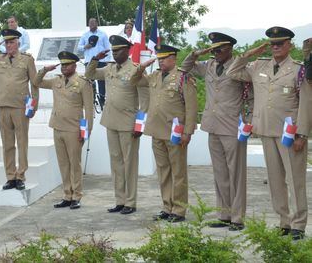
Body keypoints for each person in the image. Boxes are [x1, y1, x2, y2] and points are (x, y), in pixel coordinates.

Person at [226, 27, 307, 240]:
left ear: (290, 45)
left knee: (294, 179)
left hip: (290, 134)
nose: (276, 47)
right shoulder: (258, 65)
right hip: (266, 131)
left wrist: (302, 135)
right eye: (272, 44)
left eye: (280, 43)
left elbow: (307, 103)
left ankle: (299, 224)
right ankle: (284, 221)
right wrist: (248, 54)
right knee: (275, 180)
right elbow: (232, 72)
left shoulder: (298, 70)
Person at [181, 32, 250, 231]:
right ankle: (224, 214)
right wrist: (196, 53)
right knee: (220, 173)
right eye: (213, 49)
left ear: (230, 49)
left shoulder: (238, 67)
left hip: (231, 126)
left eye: (220, 48)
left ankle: (237, 217)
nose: (216, 52)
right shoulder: (209, 65)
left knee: (236, 173)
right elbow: (185, 69)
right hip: (212, 125)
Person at [130, 45, 198, 223]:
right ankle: (167, 206)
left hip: (175, 132)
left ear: (173, 58)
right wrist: (141, 67)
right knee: (163, 171)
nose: (161, 61)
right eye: (159, 58)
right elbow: (134, 80)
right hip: (156, 130)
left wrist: (188, 132)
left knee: (178, 172)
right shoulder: (154, 76)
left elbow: (191, 108)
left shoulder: (183, 78)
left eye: (164, 58)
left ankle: (179, 209)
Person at [85, 35, 145, 215]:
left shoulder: (136, 70)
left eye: (118, 50)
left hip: (128, 123)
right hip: (111, 121)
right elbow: (89, 75)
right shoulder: (109, 68)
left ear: (127, 51)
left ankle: (130, 202)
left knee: (129, 164)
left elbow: (145, 97)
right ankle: (119, 200)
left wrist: (139, 125)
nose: (115, 53)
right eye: (113, 51)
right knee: (116, 163)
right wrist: (95, 59)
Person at [0, 29, 39, 191]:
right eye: (7, 42)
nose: (9, 45)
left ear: (18, 42)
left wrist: (34, 105)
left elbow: (35, 83)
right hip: (3, 105)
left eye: (12, 42)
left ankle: (21, 175)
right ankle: (10, 176)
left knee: (22, 142)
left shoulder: (27, 60)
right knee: (7, 144)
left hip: (20, 105)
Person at [35, 51, 93, 209]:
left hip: (73, 129)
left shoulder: (82, 82)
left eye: (67, 65)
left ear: (74, 65)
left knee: (75, 163)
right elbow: (36, 82)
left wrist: (85, 131)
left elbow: (89, 110)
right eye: (62, 65)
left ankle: (77, 196)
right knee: (63, 163)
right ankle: (67, 194)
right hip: (57, 126)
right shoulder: (56, 81)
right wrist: (44, 70)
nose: (64, 67)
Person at [78, 17, 111, 108]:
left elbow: (108, 48)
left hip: (101, 60)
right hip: (89, 61)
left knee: (101, 81)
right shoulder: (85, 35)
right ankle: (91, 99)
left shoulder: (103, 34)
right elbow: (79, 47)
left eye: (93, 23)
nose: (91, 25)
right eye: (90, 23)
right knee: (89, 81)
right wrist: (85, 46)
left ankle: (102, 99)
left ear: (97, 24)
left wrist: (108, 61)